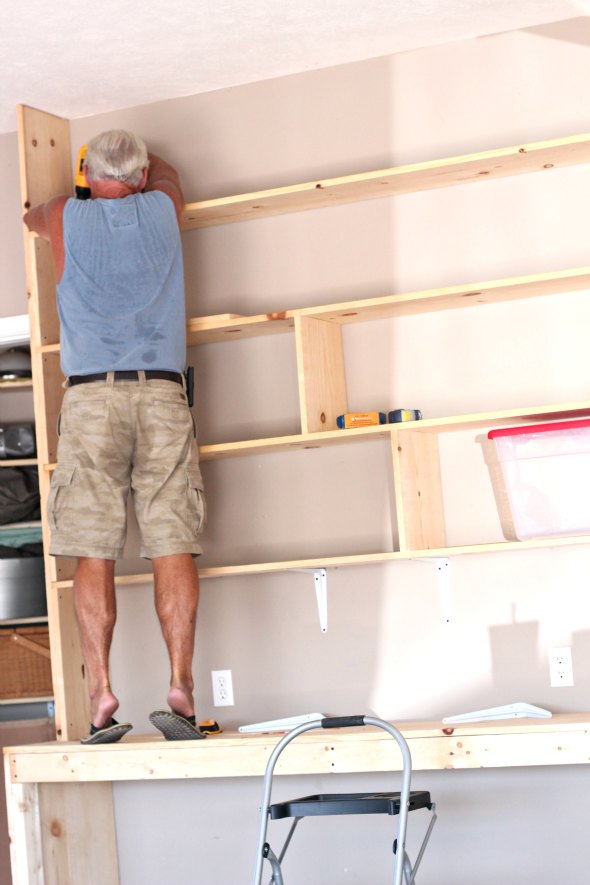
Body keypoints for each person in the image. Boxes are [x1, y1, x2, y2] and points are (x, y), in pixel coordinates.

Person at [24, 130, 206, 744]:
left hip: (91, 398)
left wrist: (75, 192)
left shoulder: (63, 217)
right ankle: (180, 683)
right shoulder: (163, 205)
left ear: (87, 173)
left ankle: (101, 691)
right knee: (172, 538)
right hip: (162, 392)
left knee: (92, 548)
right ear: (142, 173)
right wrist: (150, 173)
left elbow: (31, 216)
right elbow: (171, 174)